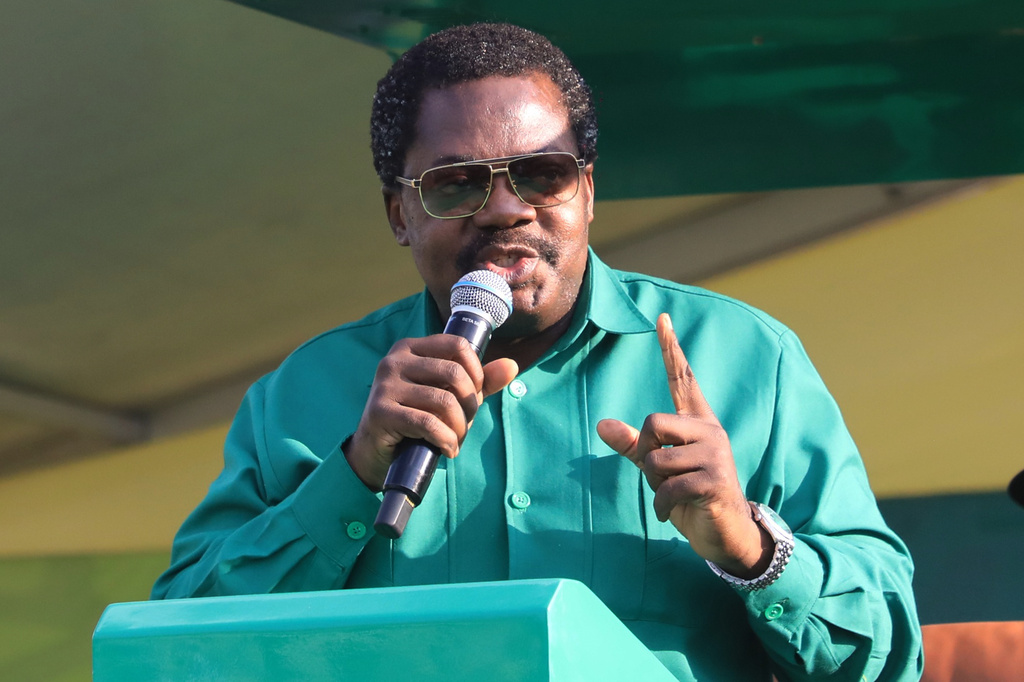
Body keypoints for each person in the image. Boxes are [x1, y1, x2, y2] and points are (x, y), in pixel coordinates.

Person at [152, 23, 922, 681]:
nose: (506, 209)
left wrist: (750, 545)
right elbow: (171, 653)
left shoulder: (748, 359)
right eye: (457, 184)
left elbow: (891, 659)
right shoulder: (308, 392)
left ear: (587, 190)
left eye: (543, 174)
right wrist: (351, 476)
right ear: (399, 213)